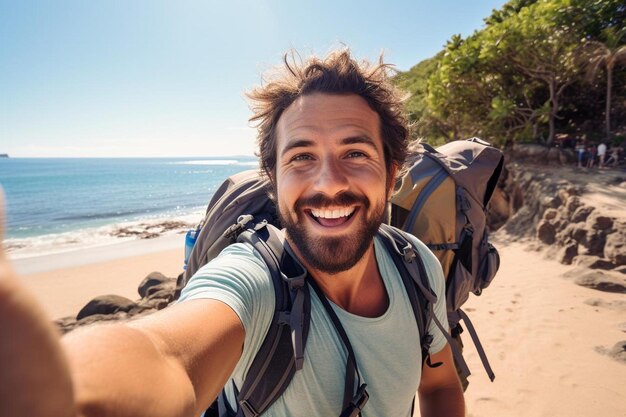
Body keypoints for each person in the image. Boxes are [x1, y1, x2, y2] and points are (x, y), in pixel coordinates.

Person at [0, 49, 464, 417]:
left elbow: (440, 383)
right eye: (301, 157)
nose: (328, 182)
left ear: (392, 174)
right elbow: (166, 356)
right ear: (273, 176)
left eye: (356, 153)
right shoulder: (253, 281)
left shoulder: (415, 263)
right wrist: (65, 393)